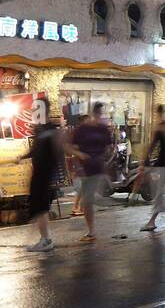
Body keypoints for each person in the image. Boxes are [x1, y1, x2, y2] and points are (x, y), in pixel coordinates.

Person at [70, 104, 113, 243]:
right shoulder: (84, 129)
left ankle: (92, 232)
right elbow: (69, 147)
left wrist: (99, 159)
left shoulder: (102, 129)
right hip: (87, 168)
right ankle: (91, 231)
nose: (100, 116)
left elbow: (108, 148)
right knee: (86, 199)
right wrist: (80, 154)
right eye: (99, 113)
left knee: (87, 201)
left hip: (94, 168)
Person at [23, 113, 65, 252]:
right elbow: (36, 151)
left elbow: (56, 150)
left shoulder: (48, 129)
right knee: (40, 207)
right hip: (41, 174)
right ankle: (45, 238)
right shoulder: (42, 129)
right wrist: (23, 157)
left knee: (41, 207)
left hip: (45, 174)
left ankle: (46, 240)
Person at [140, 105, 165, 231]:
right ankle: (163, 209)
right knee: (158, 191)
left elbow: (152, 145)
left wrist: (145, 159)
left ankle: (152, 221)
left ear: (158, 113)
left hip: (161, 164)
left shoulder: (160, 128)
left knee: (158, 191)